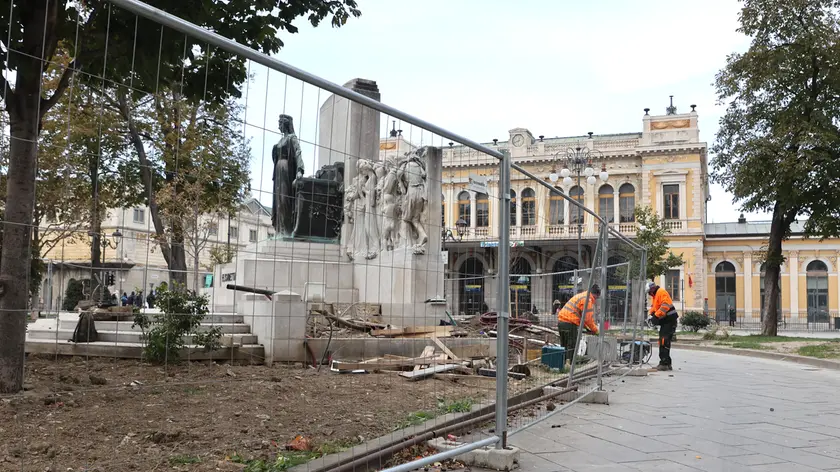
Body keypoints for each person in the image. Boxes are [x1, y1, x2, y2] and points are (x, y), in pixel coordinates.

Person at [556, 285, 601, 359]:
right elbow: (588, 319)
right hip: (570, 324)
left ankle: (562, 364)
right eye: (597, 298)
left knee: (564, 345)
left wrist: (587, 328)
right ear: (596, 295)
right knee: (571, 346)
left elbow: (582, 318)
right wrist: (596, 330)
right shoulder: (588, 300)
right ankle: (569, 366)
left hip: (561, 322)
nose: (595, 300)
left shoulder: (581, 296)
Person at [646, 281, 679, 371]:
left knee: (664, 341)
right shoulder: (656, 295)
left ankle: (664, 363)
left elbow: (665, 306)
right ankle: (667, 363)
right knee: (664, 341)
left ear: (652, 289)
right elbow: (655, 307)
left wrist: (656, 316)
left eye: (649, 292)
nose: (649, 294)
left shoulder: (661, 292)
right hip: (666, 322)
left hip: (669, 321)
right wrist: (651, 315)